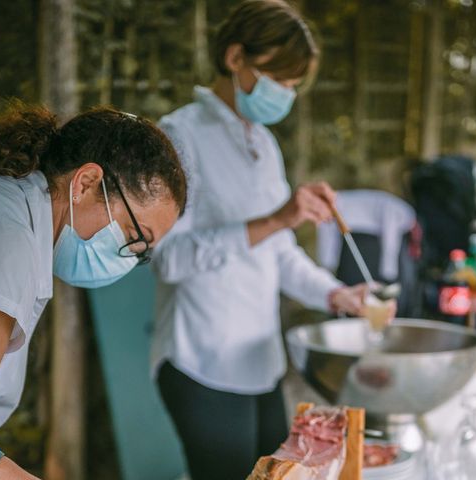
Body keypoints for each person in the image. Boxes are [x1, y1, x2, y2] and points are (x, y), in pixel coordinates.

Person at [151, 1, 392, 478]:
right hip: (203, 362)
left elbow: (280, 255)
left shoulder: (263, 143)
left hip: (262, 363)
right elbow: (169, 260)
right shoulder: (179, 137)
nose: (284, 94)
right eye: (278, 79)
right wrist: (277, 218)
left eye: (292, 85)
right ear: (236, 57)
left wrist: (335, 293)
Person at [0, 103, 187, 479]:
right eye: (136, 238)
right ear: (85, 183)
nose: (131, 256)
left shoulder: (9, 212)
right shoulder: (6, 240)